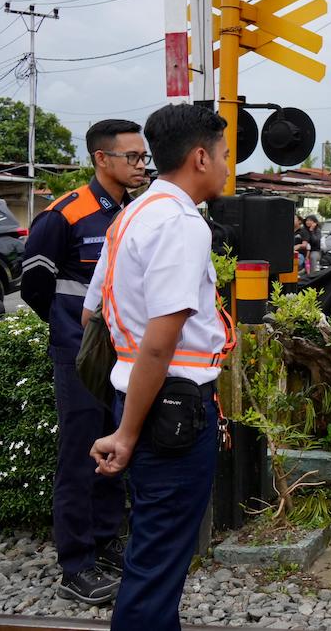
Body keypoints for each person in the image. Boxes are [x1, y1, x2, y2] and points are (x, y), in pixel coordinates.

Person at [83, 104, 234, 629]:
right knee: (157, 565)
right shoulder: (180, 224)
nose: (227, 166)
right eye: (224, 155)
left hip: (142, 398)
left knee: (153, 555)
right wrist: (126, 435)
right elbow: (158, 343)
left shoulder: (134, 213)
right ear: (200, 158)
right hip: (170, 411)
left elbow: (91, 312)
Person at [21, 119, 148, 605]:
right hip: (78, 357)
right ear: (101, 158)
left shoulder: (136, 212)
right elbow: (36, 287)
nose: (141, 165)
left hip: (125, 357)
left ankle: (105, 541)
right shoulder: (64, 215)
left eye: (143, 157)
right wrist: (72, 330)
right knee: (79, 457)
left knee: (115, 450)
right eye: (132, 157)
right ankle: (75, 566)